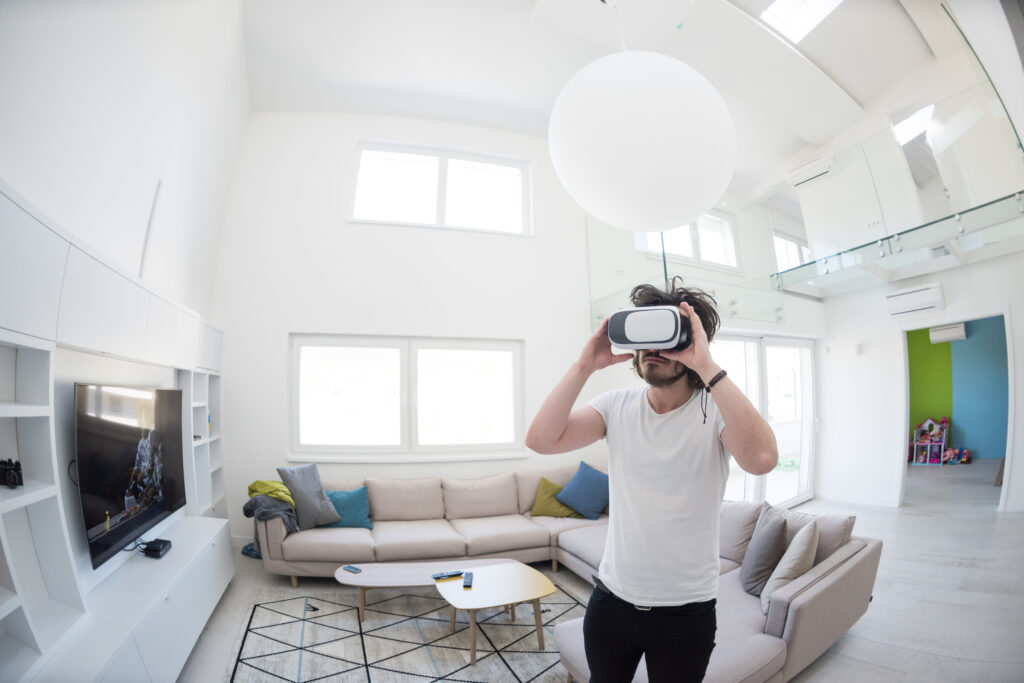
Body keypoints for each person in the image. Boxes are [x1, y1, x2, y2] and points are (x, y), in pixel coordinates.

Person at [525, 278, 778, 682]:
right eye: (645, 339)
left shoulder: (714, 411)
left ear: (692, 344)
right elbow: (541, 440)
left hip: (687, 611)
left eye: (668, 339)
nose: (653, 351)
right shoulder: (615, 407)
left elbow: (763, 460)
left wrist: (708, 367)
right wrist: (584, 366)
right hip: (611, 601)